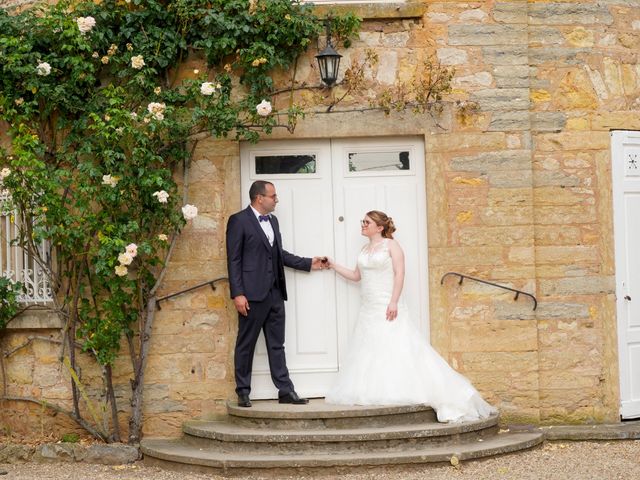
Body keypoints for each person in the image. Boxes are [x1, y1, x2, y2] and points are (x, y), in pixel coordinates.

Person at [325, 210, 496, 423]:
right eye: (363, 221)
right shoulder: (364, 249)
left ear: (379, 227)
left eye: (367, 222)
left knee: (399, 345)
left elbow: (400, 273)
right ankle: (377, 389)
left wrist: (394, 301)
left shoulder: (391, 246)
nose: (363, 225)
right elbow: (356, 275)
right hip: (368, 306)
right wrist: (333, 265)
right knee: (372, 347)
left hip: (387, 303)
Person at [226, 180, 326, 408]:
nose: (276, 199)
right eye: (273, 196)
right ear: (259, 198)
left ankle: (285, 390)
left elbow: (278, 254)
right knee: (246, 344)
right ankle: (243, 391)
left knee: (276, 344)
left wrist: (309, 263)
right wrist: (237, 293)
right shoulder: (238, 221)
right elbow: (234, 260)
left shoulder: (273, 221)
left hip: (275, 293)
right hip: (251, 295)